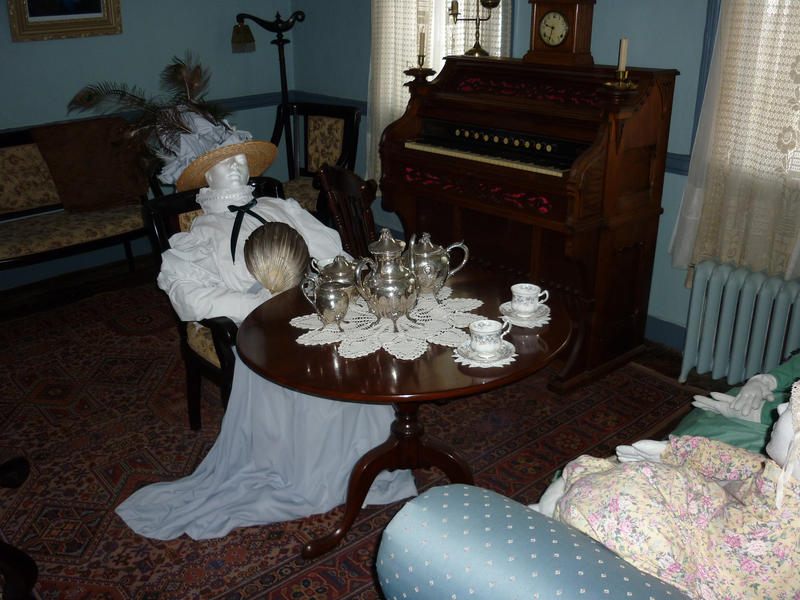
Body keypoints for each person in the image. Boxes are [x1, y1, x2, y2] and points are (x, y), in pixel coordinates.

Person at [115, 141, 417, 540]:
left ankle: (366, 455)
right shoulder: (202, 231)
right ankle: (309, 467)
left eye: (241, 160)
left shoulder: (281, 208)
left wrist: (329, 287)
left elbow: (331, 252)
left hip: (312, 303)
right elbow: (188, 294)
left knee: (364, 342)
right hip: (258, 323)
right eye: (225, 164)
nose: (237, 168)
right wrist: (255, 306)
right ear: (207, 176)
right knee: (311, 361)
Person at [530, 376, 800, 599]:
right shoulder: (786, 476)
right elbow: (749, 466)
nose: (778, 409)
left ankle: (555, 510)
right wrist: (675, 452)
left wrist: (670, 480)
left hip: (697, 557)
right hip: (705, 519)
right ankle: (567, 498)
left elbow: (716, 578)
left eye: (792, 410)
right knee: (626, 477)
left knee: (616, 492)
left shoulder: (784, 536)